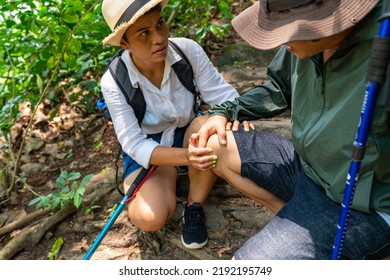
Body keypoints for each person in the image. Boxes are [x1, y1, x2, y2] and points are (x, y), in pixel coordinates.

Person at [195, 0, 390, 259]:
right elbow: (278, 88)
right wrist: (226, 111)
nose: (278, 39)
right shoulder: (299, 41)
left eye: (285, 28)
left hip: (361, 201)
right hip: (307, 168)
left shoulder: (381, 43)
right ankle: (296, 219)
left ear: (326, 19)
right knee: (212, 145)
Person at [100, 0, 239, 249]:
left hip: (190, 130)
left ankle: (194, 206)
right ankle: (175, 173)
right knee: (148, 218)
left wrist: (232, 118)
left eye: (160, 24)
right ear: (124, 43)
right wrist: (186, 158)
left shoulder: (186, 51)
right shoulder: (113, 80)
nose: (159, 38)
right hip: (151, 146)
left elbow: (225, 98)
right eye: (144, 33)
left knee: (207, 129)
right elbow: (133, 143)